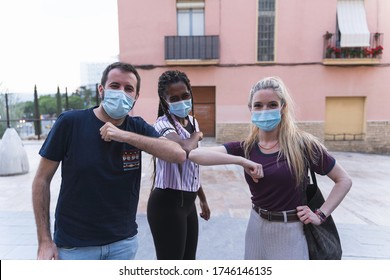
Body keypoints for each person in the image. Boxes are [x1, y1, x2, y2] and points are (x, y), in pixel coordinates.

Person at [32, 62, 187, 260]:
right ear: (102, 89)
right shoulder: (70, 123)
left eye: (129, 89)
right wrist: (44, 240)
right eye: (115, 86)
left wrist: (125, 136)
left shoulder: (136, 127)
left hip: (123, 244)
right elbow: (41, 180)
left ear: (135, 97)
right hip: (75, 247)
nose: (121, 92)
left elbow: (178, 154)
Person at [188, 76, 352, 260]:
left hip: (291, 231)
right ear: (250, 109)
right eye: (258, 105)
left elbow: (344, 180)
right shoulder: (246, 148)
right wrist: (241, 161)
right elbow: (195, 155)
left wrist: (321, 215)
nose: (264, 110)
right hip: (257, 228)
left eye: (272, 104)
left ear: (283, 107)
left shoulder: (302, 145)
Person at [147, 70, 262, 260]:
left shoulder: (192, 121)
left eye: (185, 95)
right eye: (174, 98)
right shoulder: (161, 125)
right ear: (164, 100)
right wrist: (198, 135)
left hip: (188, 202)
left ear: (191, 93)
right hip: (167, 203)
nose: (181, 101)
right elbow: (185, 150)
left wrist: (202, 198)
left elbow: (193, 166)